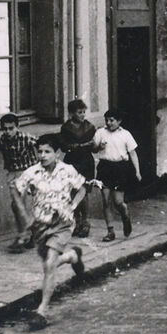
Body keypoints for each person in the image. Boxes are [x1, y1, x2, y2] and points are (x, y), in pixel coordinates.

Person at [12, 134, 86, 329]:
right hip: (40, 225)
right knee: (49, 264)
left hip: (62, 222)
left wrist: (73, 205)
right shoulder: (32, 172)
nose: (42, 155)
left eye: (47, 152)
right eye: (40, 151)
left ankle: (41, 311)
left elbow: (82, 188)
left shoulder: (67, 170)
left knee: (49, 263)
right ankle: (72, 256)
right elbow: (16, 188)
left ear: (57, 153)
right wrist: (24, 214)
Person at [0, 113, 38, 253]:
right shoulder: (2, 140)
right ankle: (29, 234)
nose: (8, 132)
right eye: (5, 129)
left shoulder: (26, 138)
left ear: (17, 126)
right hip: (12, 174)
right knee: (16, 207)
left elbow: (41, 146)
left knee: (23, 204)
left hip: (27, 173)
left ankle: (23, 237)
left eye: (11, 128)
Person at [93, 109, 142, 242]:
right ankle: (110, 231)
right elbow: (94, 149)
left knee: (118, 202)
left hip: (120, 168)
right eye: (107, 120)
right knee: (105, 200)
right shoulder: (100, 132)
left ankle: (125, 214)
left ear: (119, 121)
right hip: (105, 167)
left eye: (112, 120)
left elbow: (133, 153)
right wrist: (99, 147)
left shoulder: (125, 134)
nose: (109, 123)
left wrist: (137, 171)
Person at [60, 99, 96, 238]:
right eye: (79, 112)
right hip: (72, 161)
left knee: (84, 192)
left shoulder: (90, 127)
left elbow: (93, 145)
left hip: (86, 161)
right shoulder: (66, 128)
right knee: (72, 192)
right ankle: (77, 221)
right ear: (71, 113)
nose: (82, 115)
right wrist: (76, 146)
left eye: (83, 112)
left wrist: (93, 145)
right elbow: (64, 145)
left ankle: (86, 222)